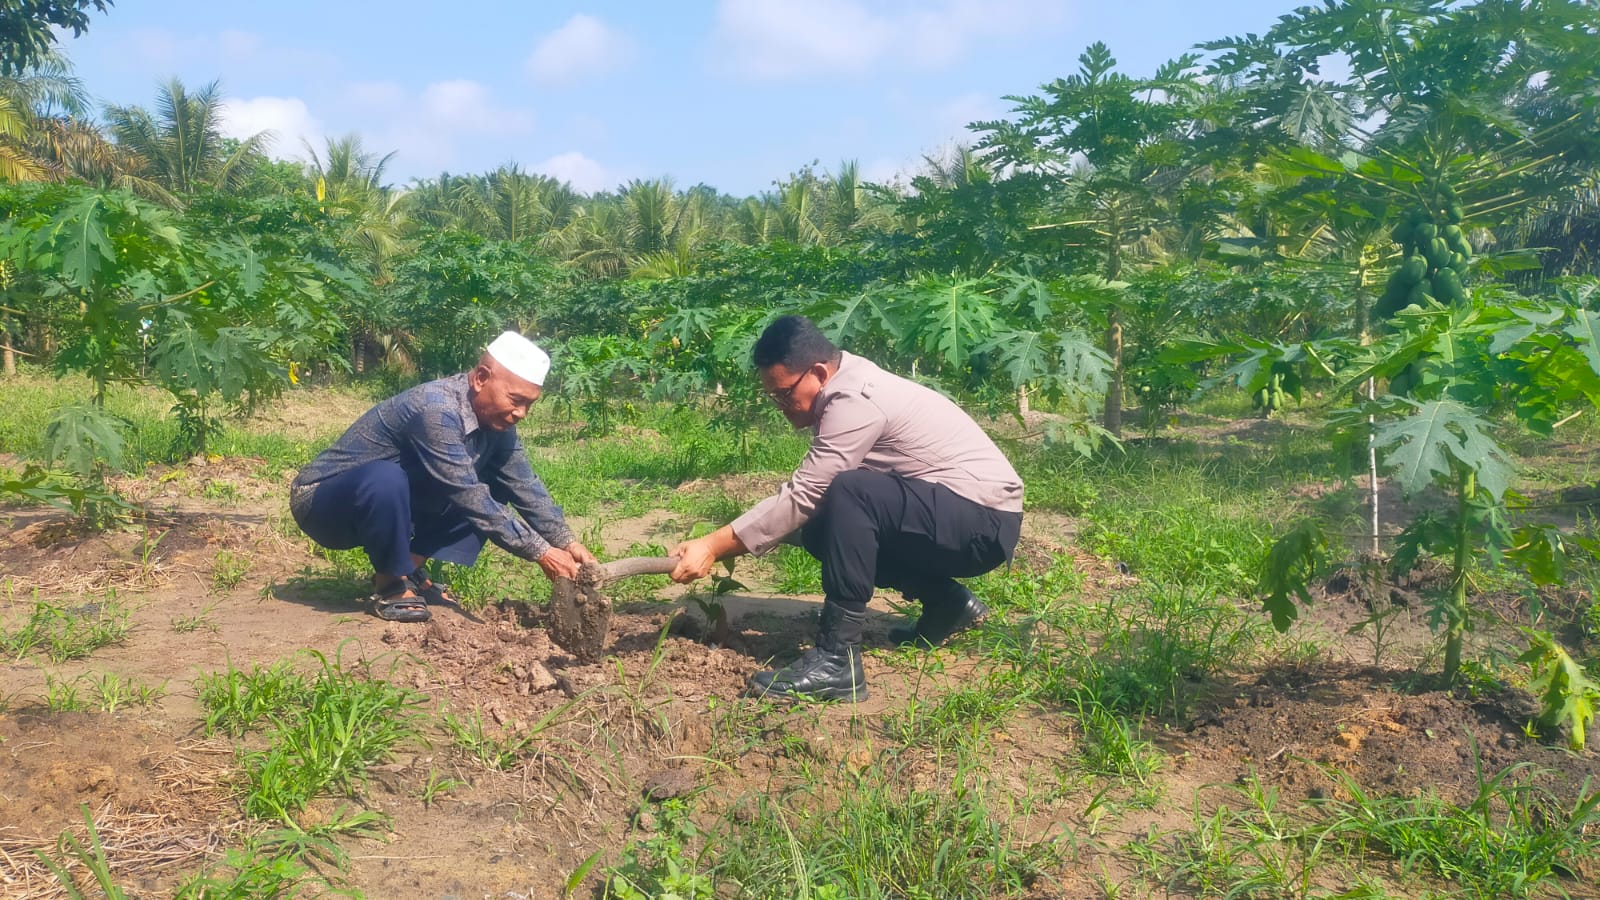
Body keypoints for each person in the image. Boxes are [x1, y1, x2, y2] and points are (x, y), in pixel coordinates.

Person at [669, 315, 1024, 701]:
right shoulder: (847, 384)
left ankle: (838, 659)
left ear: (819, 373)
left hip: (981, 522)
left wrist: (712, 545)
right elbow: (806, 503)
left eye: (785, 394)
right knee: (823, 526)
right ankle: (948, 604)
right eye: (773, 397)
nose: (781, 406)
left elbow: (805, 493)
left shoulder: (856, 397)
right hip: (961, 516)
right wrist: (723, 539)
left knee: (850, 492)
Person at [290, 331, 595, 623]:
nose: (521, 413)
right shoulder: (436, 409)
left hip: (386, 504)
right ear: (481, 378)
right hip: (323, 505)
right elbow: (466, 494)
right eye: (516, 400)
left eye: (529, 404)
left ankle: (405, 567)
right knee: (390, 478)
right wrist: (542, 552)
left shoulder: (496, 425)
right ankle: (390, 584)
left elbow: (523, 484)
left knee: (492, 490)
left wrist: (565, 541)